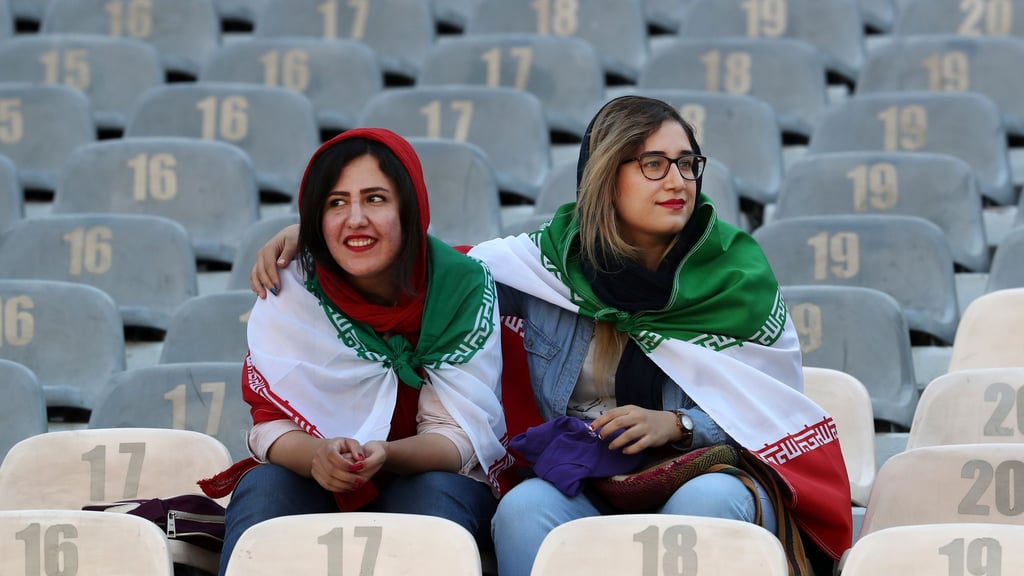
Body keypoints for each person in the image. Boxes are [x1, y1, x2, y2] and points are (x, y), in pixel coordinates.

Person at [249, 96, 853, 575]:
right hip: (583, 477)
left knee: (705, 507)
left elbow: (773, 413)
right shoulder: (538, 268)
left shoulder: (737, 279)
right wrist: (316, 242)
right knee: (523, 508)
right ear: (604, 177)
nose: (678, 180)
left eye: (687, 163)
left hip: (703, 471)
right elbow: (433, 269)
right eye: (653, 164)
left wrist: (679, 425)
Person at [208, 127, 513, 575]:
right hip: (321, 473)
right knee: (268, 487)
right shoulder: (292, 285)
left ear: (410, 209)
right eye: (335, 203)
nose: (354, 219)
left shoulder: (460, 286)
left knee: (426, 494)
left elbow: (459, 440)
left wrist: (386, 455)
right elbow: (268, 427)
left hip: (432, 476)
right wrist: (316, 457)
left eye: (375, 199)